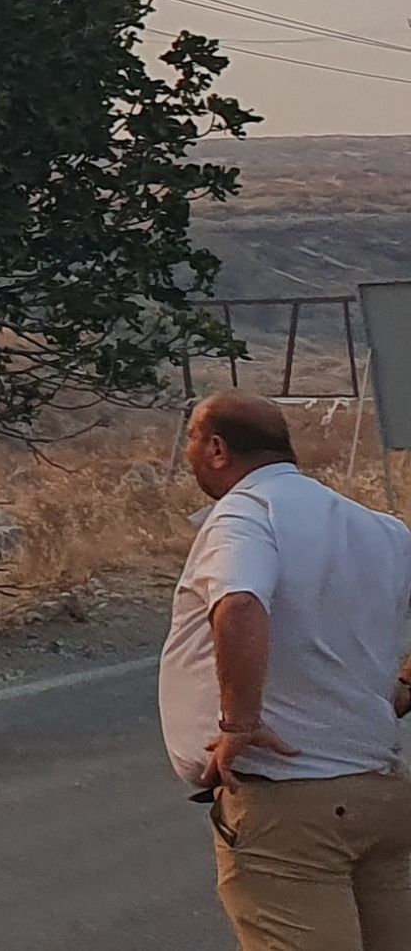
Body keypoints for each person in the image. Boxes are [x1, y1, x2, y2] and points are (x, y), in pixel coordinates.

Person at [168, 389, 411, 950]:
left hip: (288, 803)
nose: (189, 455)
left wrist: (240, 723)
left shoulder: (244, 517)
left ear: (218, 449)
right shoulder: (380, 528)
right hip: (378, 790)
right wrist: (403, 686)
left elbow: (239, 603)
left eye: (192, 441)